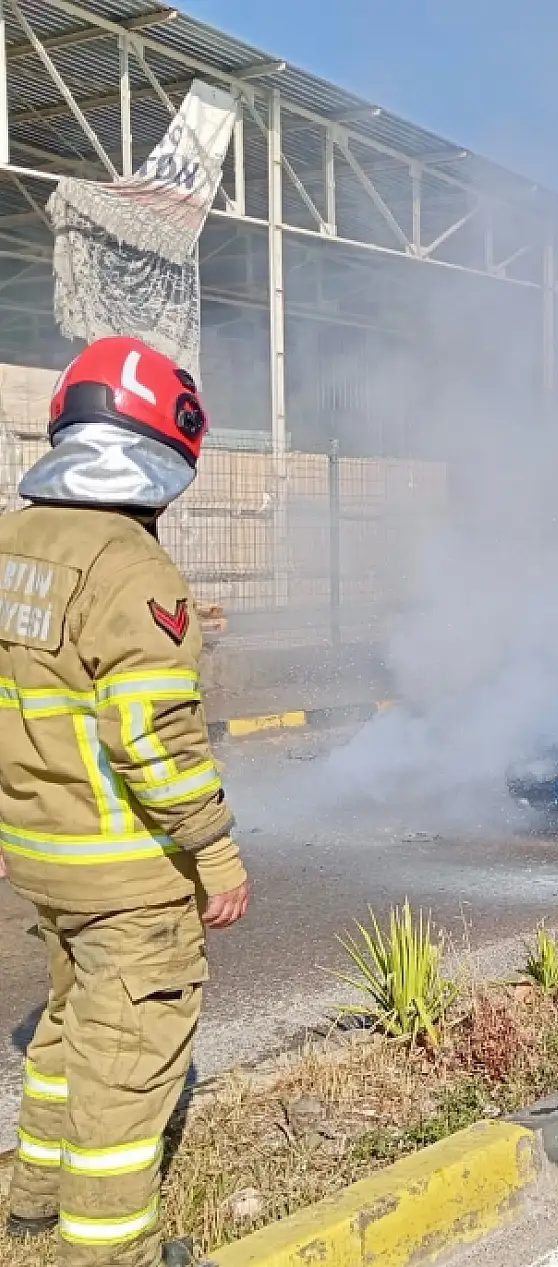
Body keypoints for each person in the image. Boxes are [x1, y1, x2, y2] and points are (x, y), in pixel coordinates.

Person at [0, 337, 250, 1267]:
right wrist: (215, 851)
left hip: (42, 856)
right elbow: (153, 737)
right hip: (128, 872)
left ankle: (33, 1202)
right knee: (129, 1059)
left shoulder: (11, 544)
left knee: (69, 1022)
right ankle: (108, 1252)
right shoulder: (131, 567)